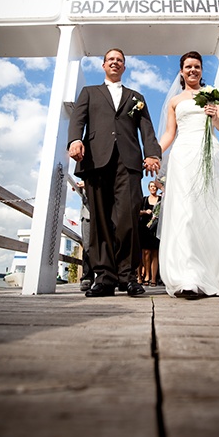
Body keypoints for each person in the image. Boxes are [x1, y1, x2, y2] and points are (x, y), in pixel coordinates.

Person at [68, 48, 161, 298]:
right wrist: (75, 140)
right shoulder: (89, 93)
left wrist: (152, 154)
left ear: (124, 67)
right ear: (103, 65)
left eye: (119, 60)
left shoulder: (136, 97)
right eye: (111, 59)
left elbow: (146, 128)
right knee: (99, 221)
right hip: (96, 160)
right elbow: (77, 121)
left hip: (129, 163)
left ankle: (128, 276)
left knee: (128, 219)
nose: (115, 63)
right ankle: (105, 277)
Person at [157, 51, 219, 300]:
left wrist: (214, 115)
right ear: (181, 71)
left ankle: (209, 274)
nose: (193, 70)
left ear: (202, 70)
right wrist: (153, 153)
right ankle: (187, 276)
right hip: (182, 156)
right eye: (188, 66)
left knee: (207, 213)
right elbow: (170, 134)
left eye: (197, 66)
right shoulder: (175, 101)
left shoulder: (214, 94)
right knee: (185, 213)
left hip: (209, 155)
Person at [138, 179, 162, 286]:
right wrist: (144, 212)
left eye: (154, 186)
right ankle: (146, 275)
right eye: (151, 186)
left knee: (155, 253)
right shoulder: (144, 200)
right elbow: (137, 211)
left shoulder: (161, 200)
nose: (153, 188)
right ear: (148, 188)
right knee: (146, 252)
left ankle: (153, 278)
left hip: (157, 228)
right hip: (145, 227)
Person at [73, 180, 93, 292]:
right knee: (87, 246)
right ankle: (87, 277)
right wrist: (80, 187)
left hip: (105, 212)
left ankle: (108, 277)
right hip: (87, 213)